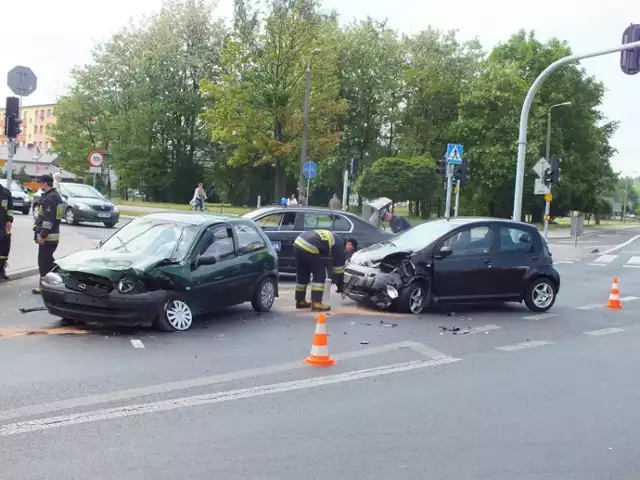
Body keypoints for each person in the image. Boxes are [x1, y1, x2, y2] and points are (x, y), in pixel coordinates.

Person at [293, 229, 357, 311]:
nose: (348, 253)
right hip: (310, 245)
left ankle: (300, 301)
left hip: (298, 244)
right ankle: (316, 302)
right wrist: (341, 287)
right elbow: (339, 270)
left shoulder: (336, 239)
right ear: (349, 244)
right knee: (320, 274)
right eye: (350, 250)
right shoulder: (340, 244)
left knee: (303, 274)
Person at [32, 174, 63, 295]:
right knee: (49, 260)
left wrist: (42, 235)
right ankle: (54, 280)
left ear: (45, 183)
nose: (39, 185)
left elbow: (48, 220)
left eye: (40, 182)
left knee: (44, 262)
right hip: (53, 236)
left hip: (48, 237)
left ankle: (44, 285)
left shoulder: (50, 198)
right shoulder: (55, 196)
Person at [0, 181, 13, 280]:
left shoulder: (6, 192)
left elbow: (10, 209)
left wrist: (9, 220)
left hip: (4, 227)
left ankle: (1, 270)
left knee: (4, 251)